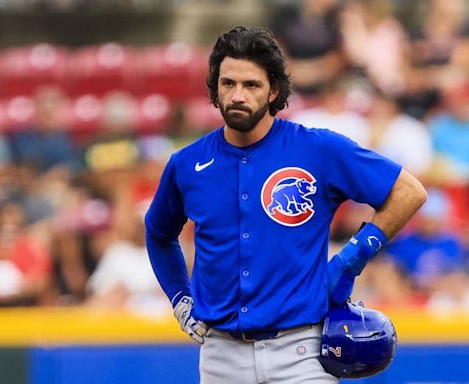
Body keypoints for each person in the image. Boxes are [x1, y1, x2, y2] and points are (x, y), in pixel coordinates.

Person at [144, 26, 427, 383]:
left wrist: (351, 258)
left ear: (274, 90)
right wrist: (179, 297)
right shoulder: (188, 164)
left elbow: (408, 192)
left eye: (251, 85)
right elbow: (158, 234)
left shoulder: (316, 148)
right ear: (214, 88)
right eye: (227, 83)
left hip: (301, 352)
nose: (237, 95)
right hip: (220, 356)